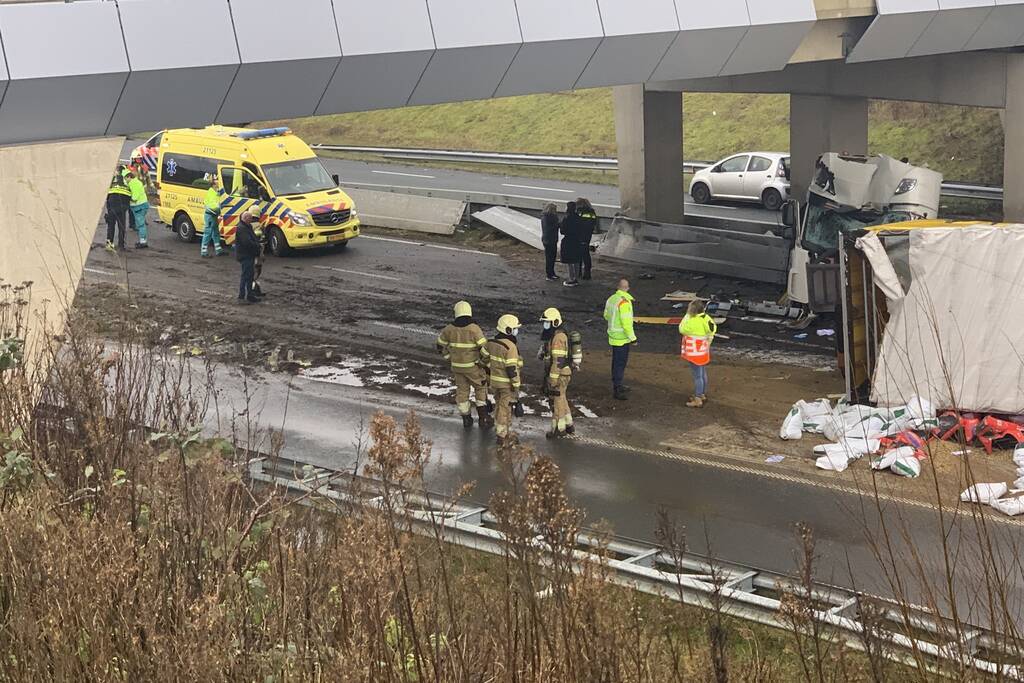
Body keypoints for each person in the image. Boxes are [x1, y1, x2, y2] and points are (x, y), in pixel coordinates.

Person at [436, 300, 493, 429]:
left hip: (457, 367)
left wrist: (449, 357)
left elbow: (440, 345)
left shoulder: (449, 329)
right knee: (480, 388)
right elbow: (485, 348)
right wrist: (484, 363)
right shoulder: (474, 329)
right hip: (473, 366)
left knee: (462, 392)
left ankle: (466, 418)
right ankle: (483, 418)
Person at [484, 314, 523, 444]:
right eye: (515, 328)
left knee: (499, 405)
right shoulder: (511, 347)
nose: (516, 331)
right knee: (505, 408)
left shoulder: (490, 343)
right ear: (508, 329)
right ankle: (502, 435)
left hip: (494, 382)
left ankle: (502, 429)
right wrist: (516, 384)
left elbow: (483, 358)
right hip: (506, 384)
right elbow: (512, 368)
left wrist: (492, 368)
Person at [540, 307, 577, 438]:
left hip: (560, 374)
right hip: (564, 373)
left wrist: (553, 378)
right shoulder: (557, 335)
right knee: (562, 398)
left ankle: (557, 429)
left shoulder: (558, 338)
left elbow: (558, 361)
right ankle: (569, 425)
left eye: (547, 322)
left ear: (555, 322)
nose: (545, 325)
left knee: (557, 400)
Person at [678, 298, 717, 408]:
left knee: (697, 376)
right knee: (702, 372)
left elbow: (681, 329)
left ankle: (698, 398)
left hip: (694, 352)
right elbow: (712, 329)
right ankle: (702, 394)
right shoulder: (706, 318)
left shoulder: (691, 320)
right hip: (703, 350)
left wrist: (687, 315)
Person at [603, 278, 637, 401]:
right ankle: (617, 388)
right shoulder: (625, 303)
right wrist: (633, 338)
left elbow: (606, 315)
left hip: (613, 336)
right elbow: (626, 323)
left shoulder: (612, 299)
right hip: (622, 338)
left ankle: (618, 384)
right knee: (620, 363)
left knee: (616, 362)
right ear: (627, 288)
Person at [235, 211, 261, 303]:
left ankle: (249, 295)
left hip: (248, 255)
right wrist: (257, 246)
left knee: (249, 276)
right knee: (246, 276)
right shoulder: (242, 228)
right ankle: (241, 297)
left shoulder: (246, 226)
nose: (252, 220)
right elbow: (247, 242)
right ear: (246, 218)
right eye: (250, 218)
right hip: (245, 255)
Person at [104, 169, 131, 252]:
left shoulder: (112, 184)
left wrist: (109, 210)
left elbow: (107, 198)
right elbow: (129, 198)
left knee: (111, 226)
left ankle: (109, 244)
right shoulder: (127, 184)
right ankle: (121, 245)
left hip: (112, 206)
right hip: (122, 207)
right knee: (121, 227)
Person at [201, 174, 225, 257]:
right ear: (213, 184)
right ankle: (204, 252)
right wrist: (221, 208)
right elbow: (213, 206)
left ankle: (218, 250)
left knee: (216, 233)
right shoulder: (211, 193)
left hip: (213, 216)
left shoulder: (215, 192)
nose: (218, 183)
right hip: (210, 216)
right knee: (208, 233)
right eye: (217, 181)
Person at [559, 201, 582, 287]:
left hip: (569, 240)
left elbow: (562, 231)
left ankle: (571, 278)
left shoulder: (567, 218)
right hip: (577, 240)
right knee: (576, 259)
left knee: (570, 260)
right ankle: (576, 277)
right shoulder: (578, 217)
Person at [576, 198, 599, 280]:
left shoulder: (579, 211)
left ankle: (578, 272)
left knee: (578, 254)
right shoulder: (592, 211)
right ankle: (587, 272)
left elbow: (576, 222)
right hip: (587, 235)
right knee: (586, 254)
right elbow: (595, 223)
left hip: (580, 235)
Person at [126, 171, 150, 249]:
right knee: (140, 224)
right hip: (142, 205)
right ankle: (143, 240)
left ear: (129, 177)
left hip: (139, 207)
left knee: (141, 224)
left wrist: (127, 199)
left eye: (126, 178)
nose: (125, 180)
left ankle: (143, 242)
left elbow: (134, 198)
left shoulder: (133, 184)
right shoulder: (137, 182)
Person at [541, 203, 560, 281]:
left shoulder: (546, 217)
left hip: (550, 239)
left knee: (552, 257)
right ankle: (549, 274)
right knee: (550, 258)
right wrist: (558, 225)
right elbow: (549, 228)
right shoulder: (547, 217)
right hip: (549, 240)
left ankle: (552, 273)